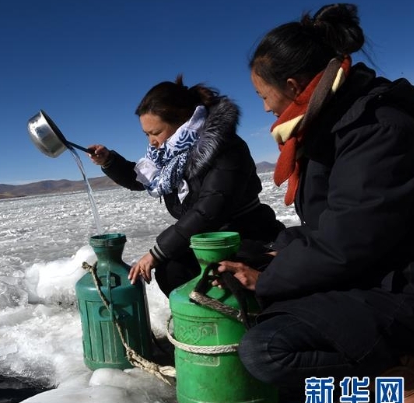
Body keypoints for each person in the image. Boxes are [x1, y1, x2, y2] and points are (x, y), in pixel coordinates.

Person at [215, 3, 414, 403]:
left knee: (267, 352)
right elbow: (335, 225)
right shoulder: (332, 124)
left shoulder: (377, 128)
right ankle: (383, 369)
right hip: (374, 270)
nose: (265, 107)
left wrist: (267, 280)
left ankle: (412, 378)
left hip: (407, 283)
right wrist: (275, 255)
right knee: (261, 294)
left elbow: (349, 241)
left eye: (263, 96)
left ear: (293, 86)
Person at [88, 76, 285, 295]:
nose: (151, 142)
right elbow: (143, 178)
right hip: (206, 239)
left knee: (215, 279)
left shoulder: (225, 148)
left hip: (245, 237)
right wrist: (109, 161)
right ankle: (198, 322)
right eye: (147, 134)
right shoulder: (170, 157)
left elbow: (209, 209)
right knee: (170, 270)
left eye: (156, 133)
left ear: (182, 120)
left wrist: (157, 252)